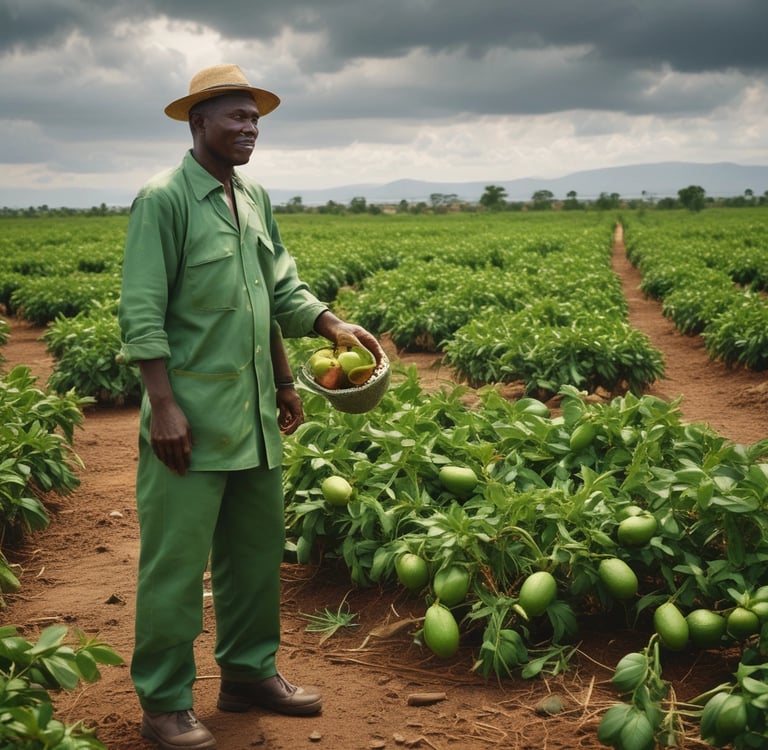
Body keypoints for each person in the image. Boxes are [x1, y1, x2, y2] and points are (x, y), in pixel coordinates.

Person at [118, 63, 384, 750]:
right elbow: (143, 314)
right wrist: (163, 405)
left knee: (254, 555)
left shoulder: (255, 197)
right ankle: (165, 703)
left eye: (255, 118)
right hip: (191, 421)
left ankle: (247, 673)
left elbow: (275, 295)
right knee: (177, 566)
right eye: (235, 117)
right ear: (197, 121)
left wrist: (319, 340)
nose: (249, 129)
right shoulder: (165, 199)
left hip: (256, 416)